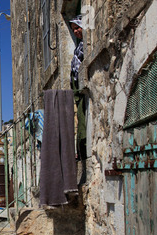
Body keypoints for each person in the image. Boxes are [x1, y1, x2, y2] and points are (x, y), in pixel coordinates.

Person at [69, 14, 87, 161]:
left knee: (82, 120)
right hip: (76, 86)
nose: (75, 32)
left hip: (81, 86)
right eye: (73, 29)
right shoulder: (79, 47)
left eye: (78, 27)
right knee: (79, 120)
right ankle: (80, 151)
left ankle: (82, 152)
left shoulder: (85, 45)